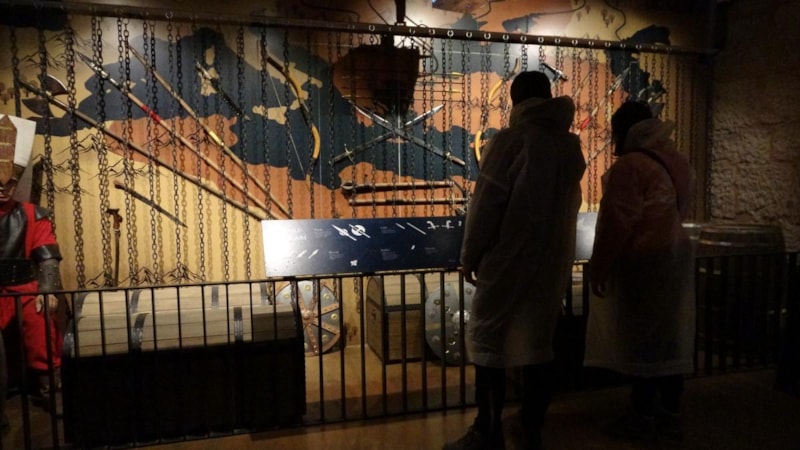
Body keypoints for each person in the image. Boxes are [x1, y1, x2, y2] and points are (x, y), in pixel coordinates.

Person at [446, 71, 586, 450]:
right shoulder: (569, 146)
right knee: (538, 346)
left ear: (515, 100)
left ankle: (487, 431)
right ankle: (530, 427)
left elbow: (486, 206)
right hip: (551, 263)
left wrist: (470, 256)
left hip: (509, 261)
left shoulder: (511, 141)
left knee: (489, 348)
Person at [584, 101, 695, 441]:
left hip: (643, 261)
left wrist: (599, 267)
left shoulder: (630, 166)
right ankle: (670, 411)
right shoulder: (676, 160)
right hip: (674, 256)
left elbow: (617, 222)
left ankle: (643, 415)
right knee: (668, 336)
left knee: (641, 338)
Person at [0, 114, 64, 426]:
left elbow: (47, 255)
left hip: (25, 287)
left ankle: (51, 388)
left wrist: (47, 290)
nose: (3, 189)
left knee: (42, 331)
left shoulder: (31, 214)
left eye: (9, 183)